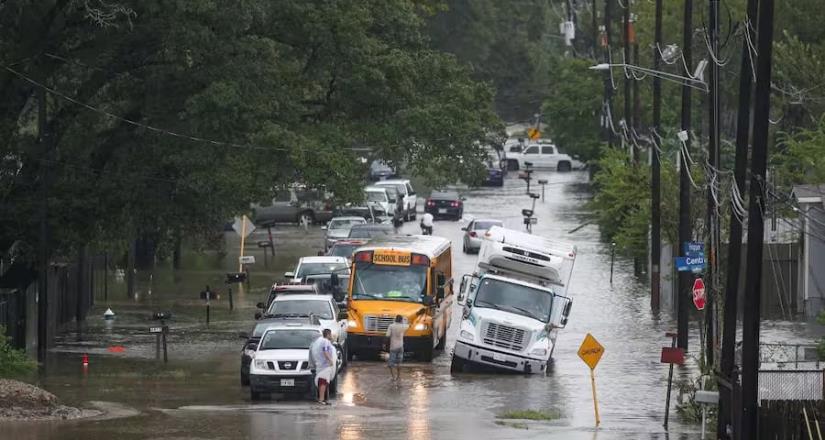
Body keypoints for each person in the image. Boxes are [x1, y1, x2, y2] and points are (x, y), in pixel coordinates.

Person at [309, 329, 336, 405]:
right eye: (330, 334)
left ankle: (322, 399)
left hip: (319, 365)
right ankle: (321, 399)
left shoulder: (317, 342)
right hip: (325, 365)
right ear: (328, 334)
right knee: (323, 382)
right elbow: (325, 351)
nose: (331, 336)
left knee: (322, 382)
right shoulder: (325, 341)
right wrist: (330, 360)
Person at [385, 315, 408, 381]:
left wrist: (384, 344)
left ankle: (393, 377)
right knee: (399, 362)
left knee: (391, 364)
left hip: (393, 347)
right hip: (401, 347)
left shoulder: (391, 326)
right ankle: (398, 376)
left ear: (395, 319)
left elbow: (387, 336)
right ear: (401, 320)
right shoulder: (403, 326)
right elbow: (409, 325)